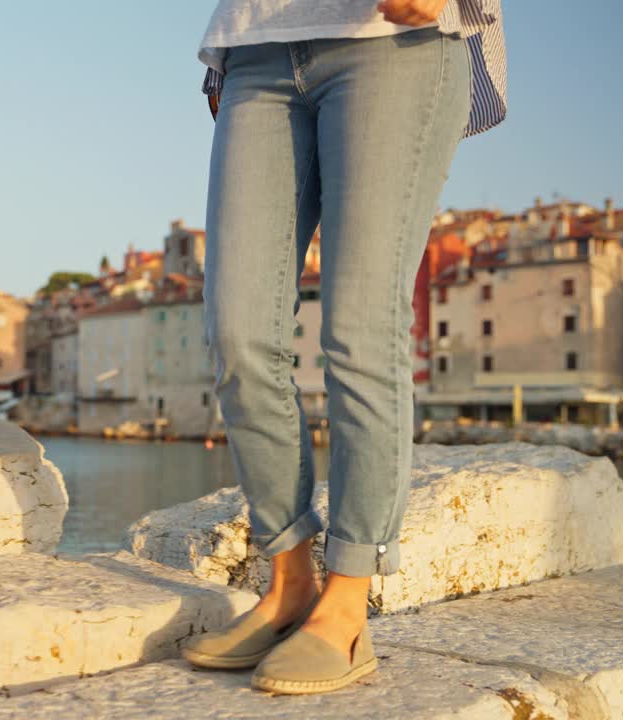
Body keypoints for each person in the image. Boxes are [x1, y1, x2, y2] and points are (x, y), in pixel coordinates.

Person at [180, 0, 507, 696]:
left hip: (393, 41)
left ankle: (349, 605)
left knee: (360, 328)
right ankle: (290, 583)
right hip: (258, 49)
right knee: (238, 331)